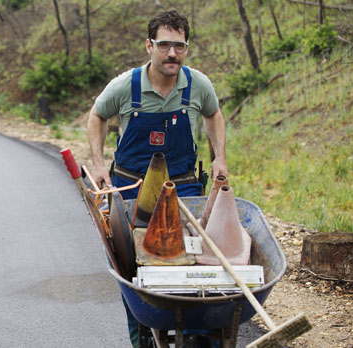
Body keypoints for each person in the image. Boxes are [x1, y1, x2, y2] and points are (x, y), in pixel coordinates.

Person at [86, 9, 228, 347]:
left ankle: (195, 334)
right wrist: (99, 163)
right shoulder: (125, 86)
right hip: (132, 190)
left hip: (183, 188)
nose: (172, 54)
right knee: (132, 269)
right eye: (164, 45)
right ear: (149, 46)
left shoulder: (197, 84)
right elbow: (97, 116)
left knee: (191, 262)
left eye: (179, 46)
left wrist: (219, 156)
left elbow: (214, 115)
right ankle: (144, 336)